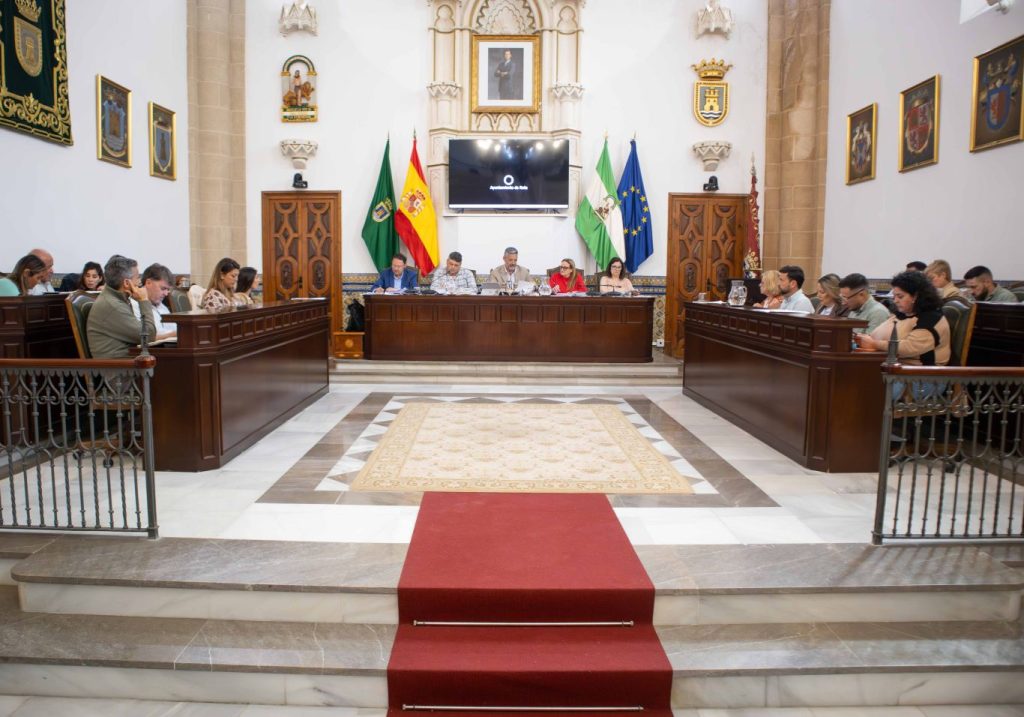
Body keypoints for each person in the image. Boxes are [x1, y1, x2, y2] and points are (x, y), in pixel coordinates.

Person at [854, 270, 950, 366]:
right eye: (894, 296)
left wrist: (875, 344)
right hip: (894, 364)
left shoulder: (931, 318)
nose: (895, 301)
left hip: (918, 371)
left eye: (900, 297)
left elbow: (910, 347)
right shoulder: (905, 312)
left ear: (915, 296)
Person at [87, 255, 156, 359]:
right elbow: (149, 335)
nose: (139, 282)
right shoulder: (113, 305)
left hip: (131, 359)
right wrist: (144, 300)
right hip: (121, 366)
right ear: (127, 283)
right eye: (137, 277)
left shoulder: (115, 298)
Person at [138, 263, 177, 340]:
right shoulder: (134, 305)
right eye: (163, 288)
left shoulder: (162, 306)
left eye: (168, 290)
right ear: (148, 283)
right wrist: (175, 334)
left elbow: (174, 329)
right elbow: (143, 337)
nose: (166, 294)